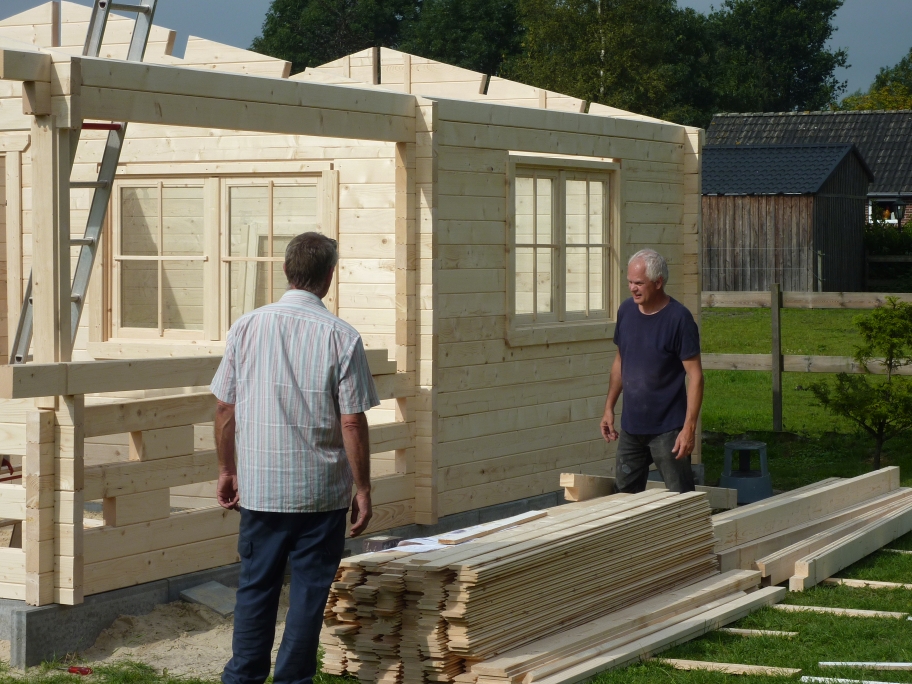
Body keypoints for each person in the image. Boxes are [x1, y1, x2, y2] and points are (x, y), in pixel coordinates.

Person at [211, 231, 380, 684]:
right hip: (319, 494)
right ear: (329, 276)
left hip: (261, 488)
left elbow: (225, 407)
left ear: (286, 271)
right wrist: (364, 488)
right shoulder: (342, 336)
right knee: (308, 595)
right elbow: (351, 422)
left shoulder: (246, 326)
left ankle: (243, 677)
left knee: (256, 588)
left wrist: (227, 469)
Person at [600, 248, 703, 493]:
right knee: (624, 499)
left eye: (639, 283)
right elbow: (620, 362)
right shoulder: (626, 311)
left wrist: (688, 429)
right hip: (631, 428)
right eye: (630, 282)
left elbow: (696, 377)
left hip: (668, 430)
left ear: (658, 282)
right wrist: (609, 408)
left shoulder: (679, 319)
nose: (632, 288)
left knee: (680, 499)